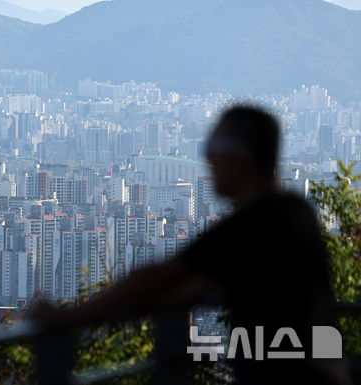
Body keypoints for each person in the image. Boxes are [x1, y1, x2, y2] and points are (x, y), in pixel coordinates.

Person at [27, 106, 349, 385]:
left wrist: (70, 318)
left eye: (213, 146)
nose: (207, 158)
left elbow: (160, 275)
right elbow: (211, 282)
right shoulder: (296, 211)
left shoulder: (253, 222)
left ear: (242, 157)